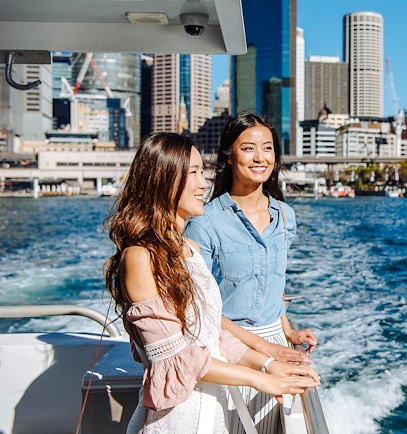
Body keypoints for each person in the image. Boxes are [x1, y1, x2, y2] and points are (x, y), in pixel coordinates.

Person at [103, 132, 319, 433]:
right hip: (175, 421)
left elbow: (211, 334)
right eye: (192, 173)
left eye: (201, 173)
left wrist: (270, 364)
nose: (203, 184)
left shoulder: (188, 250)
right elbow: (175, 359)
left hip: (210, 416)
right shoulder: (140, 257)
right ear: (162, 179)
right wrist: (261, 379)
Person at [185, 113, 318, 430]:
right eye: (248, 148)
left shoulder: (285, 216)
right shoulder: (205, 221)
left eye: (268, 148)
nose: (260, 157)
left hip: (275, 344)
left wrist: (287, 331)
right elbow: (199, 304)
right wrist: (265, 348)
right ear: (229, 156)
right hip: (228, 348)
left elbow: (271, 282)